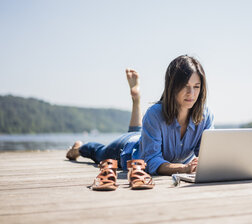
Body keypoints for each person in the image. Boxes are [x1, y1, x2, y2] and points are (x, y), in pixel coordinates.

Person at [66, 55, 214, 189]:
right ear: (172, 86)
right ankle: (78, 148)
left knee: (139, 132)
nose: (192, 94)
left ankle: (136, 99)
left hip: (145, 141)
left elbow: (208, 153)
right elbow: (152, 161)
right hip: (127, 149)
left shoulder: (205, 115)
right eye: (185, 86)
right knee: (100, 152)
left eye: (196, 87)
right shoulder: (155, 114)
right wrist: (184, 168)